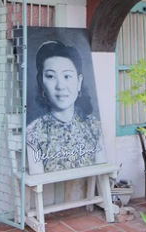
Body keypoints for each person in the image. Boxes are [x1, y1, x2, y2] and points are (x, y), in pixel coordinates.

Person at [26, 41, 106, 174]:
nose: (60, 86)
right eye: (51, 76)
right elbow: (37, 179)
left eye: (67, 76)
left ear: (79, 82)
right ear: (41, 83)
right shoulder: (33, 133)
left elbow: (101, 170)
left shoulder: (94, 127)